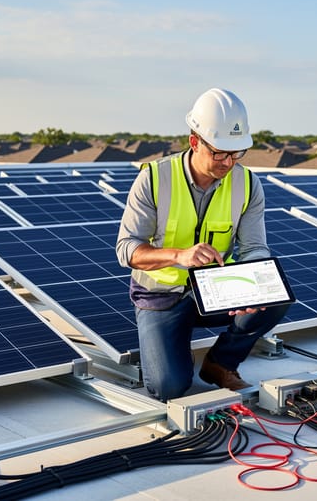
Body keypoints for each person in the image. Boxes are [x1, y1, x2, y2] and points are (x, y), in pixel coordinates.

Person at [116, 87, 289, 402]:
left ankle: (220, 363)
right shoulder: (155, 179)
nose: (228, 162)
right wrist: (180, 256)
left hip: (215, 291)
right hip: (161, 296)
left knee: (275, 292)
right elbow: (127, 249)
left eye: (236, 153)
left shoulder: (248, 184)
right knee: (170, 388)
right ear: (194, 142)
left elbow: (255, 249)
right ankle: (172, 346)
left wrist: (252, 285)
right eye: (220, 152)